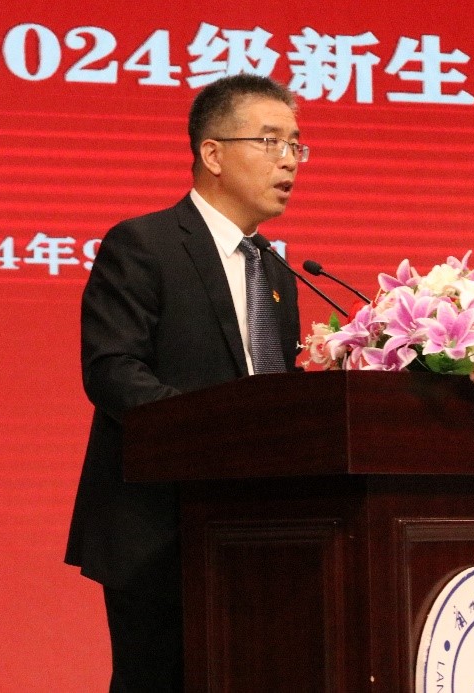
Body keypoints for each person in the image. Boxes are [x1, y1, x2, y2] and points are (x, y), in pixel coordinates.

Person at [65, 74, 306, 691]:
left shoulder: (277, 271)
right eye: (270, 141)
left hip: (256, 529)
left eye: (295, 144)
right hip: (160, 528)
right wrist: (219, 440)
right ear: (213, 153)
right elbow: (114, 372)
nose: (288, 160)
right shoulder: (143, 245)